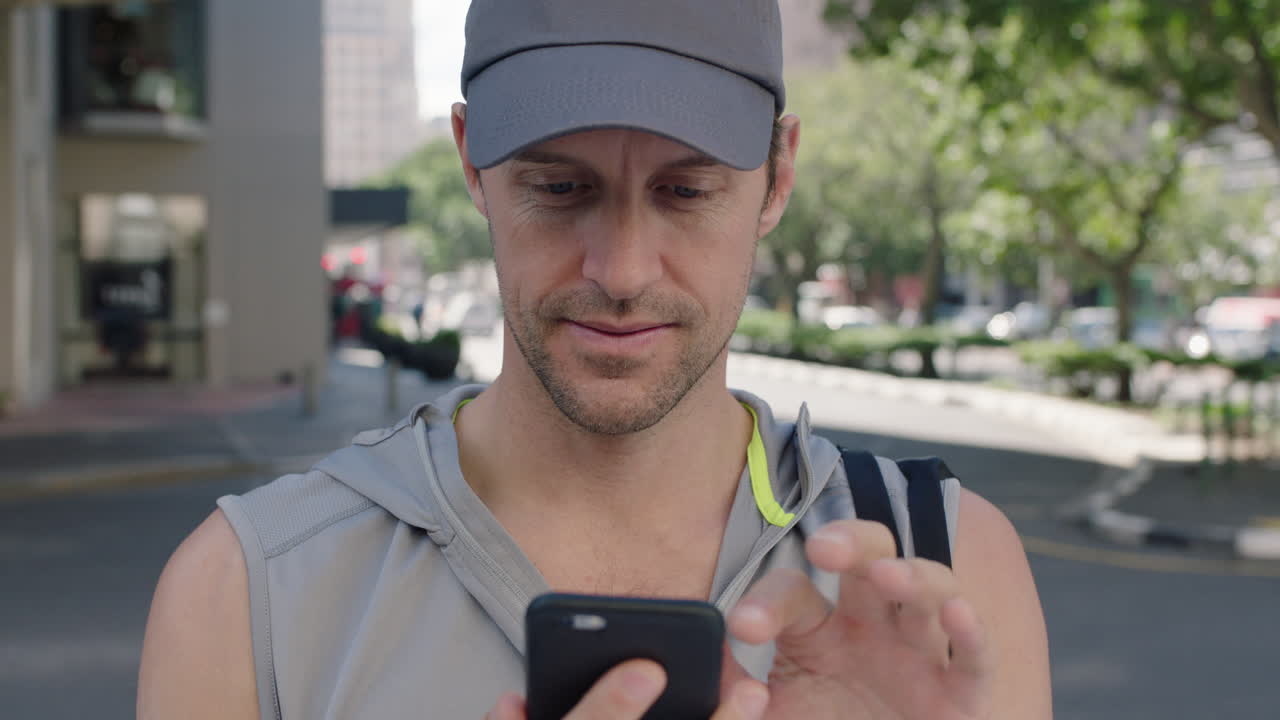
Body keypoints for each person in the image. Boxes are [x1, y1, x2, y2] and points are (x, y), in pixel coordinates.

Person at [137, 1, 1052, 718]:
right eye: (560, 187)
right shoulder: (247, 593)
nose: (621, 270)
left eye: (685, 190)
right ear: (472, 163)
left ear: (778, 177)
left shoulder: (944, 572)